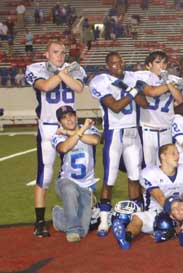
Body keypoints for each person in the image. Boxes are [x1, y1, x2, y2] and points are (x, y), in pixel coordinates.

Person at [25, 41, 86, 237]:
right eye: (55, 52)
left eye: (62, 53)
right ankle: (40, 221)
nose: (60, 56)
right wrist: (61, 72)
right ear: (47, 54)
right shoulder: (36, 69)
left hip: (70, 127)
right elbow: (44, 86)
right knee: (46, 174)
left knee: (74, 172)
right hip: (49, 127)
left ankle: (73, 214)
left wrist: (62, 71)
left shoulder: (74, 70)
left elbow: (78, 88)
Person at [89, 51, 147, 237]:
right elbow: (114, 106)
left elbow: (144, 103)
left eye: (120, 61)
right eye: (114, 63)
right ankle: (104, 219)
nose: (118, 65)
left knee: (134, 176)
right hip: (114, 132)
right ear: (108, 65)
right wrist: (131, 91)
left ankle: (136, 216)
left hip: (133, 131)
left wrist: (132, 89)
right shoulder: (101, 80)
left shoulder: (131, 77)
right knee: (110, 177)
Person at [113, 144, 183, 249]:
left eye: (178, 153)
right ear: (163, 156)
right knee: (137, 220)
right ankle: (126, 236)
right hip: (155, 212)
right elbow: (161, 199)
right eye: (173, 153)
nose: (177, 156)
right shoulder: (149, 173)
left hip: (179, 212)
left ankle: (170, 232)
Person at [51, 106, 100, 242]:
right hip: (66, 180)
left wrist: (73, 131)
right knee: (69, 189)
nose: (69, 119)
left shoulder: (89, 129)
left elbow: (95, 140)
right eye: (64, 118)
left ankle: (58, 215)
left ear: (76, 116)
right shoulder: (57, 135)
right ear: (60, 121)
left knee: (83, 231)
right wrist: (81, 130)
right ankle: (71, 231)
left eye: (71, 115)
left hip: (86, 185)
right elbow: (64, 147)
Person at [135, 51, 183, 167]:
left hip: (166, 129)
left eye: (164, 63)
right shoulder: (142, 77)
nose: (161, 66)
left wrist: (167, 81)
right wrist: (168, 84)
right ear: (148, 65)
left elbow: (179, 99)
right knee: (148, 168)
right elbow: (151, 92)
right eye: (157, 62)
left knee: (167, 166)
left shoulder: (174, 79)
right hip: (148, 129)